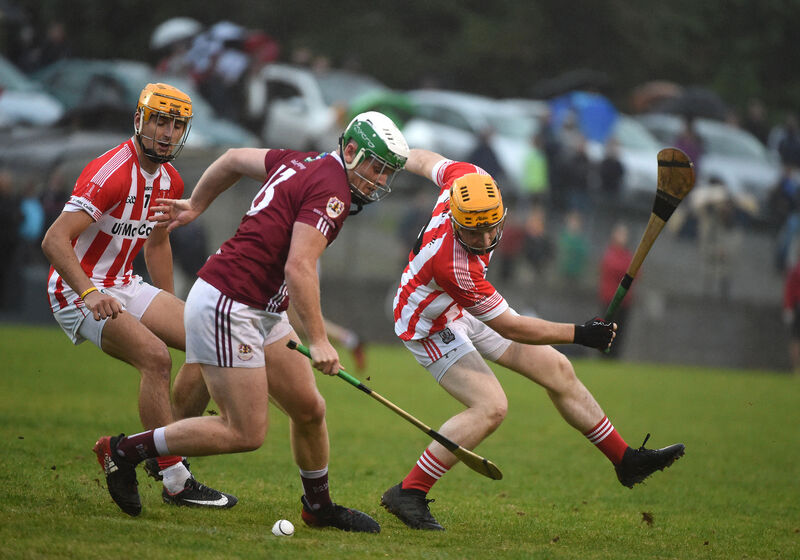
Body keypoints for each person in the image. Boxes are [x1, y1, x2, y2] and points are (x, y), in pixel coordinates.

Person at [92, 111, 410, 531]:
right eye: (376, 167)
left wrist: (197, 205)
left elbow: (232, 158)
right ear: (350, 151)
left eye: (388, 173)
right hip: (231, 304)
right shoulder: (333, 192)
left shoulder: (301, 161)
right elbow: (299, 267)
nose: (381, 181)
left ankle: (318, 507)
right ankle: (123, 451)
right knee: (244, 432)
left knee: (309, 409)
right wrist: (319, 340)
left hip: (261, 307)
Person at [380, 149, 685, 531]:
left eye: (492, 227)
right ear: (456, 220)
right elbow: (513, 327)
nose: (486, 238)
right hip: (426, 322)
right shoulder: (453, 263)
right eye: (474, 231)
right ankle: (409, 491)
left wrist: (394, 152)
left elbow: (425, 161)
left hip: (460, 309)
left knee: (557, 369)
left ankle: (625, 460)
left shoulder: (467, 180)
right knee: (491, 407)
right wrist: (581, 333)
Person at [41, 83, 237, 513]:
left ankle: (151, 447)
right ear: (140, 120)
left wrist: (168, 304)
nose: (167, 133)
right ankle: (174, 477)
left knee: (208, 336)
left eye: (177, 125)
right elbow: (54, 240)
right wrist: (90, 293)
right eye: (160, 121)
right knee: (155, 357)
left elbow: (157, 244)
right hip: (76, 288)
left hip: (125, 282)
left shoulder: (171, 178)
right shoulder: (110, 173)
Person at [598, 222, 634, 358]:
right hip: (610, 299)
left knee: (620, 331)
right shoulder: (610, 253)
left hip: (624, 301)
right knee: (606, 330)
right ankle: (604, 356)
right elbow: (614, 268)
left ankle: (615, 356)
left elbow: (636, 272)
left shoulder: (627, 255)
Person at [783, 255, 800, 375]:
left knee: (796, 339)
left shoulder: (795, 270)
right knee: (796, 339)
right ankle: (796, 368)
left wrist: (788, 308)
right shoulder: (795, 271)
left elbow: (789, 290)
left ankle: (796, 369)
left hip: (797, 306)